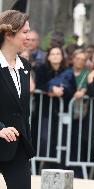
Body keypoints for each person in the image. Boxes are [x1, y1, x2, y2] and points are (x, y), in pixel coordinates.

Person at [0, 10, 35, 189]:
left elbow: (22, 109)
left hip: (18, 147)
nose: (28, 37)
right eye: (25, 32)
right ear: (8, 34)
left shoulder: (25, 67)